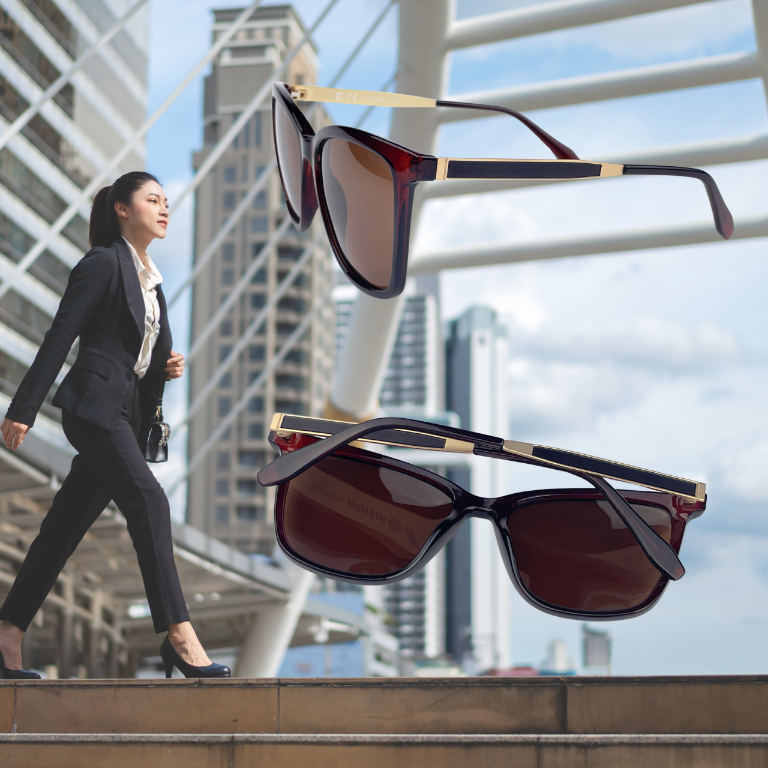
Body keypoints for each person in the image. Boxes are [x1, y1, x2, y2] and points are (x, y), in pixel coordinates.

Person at [0, 172, 230, 680]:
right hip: (95, 407)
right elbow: (62, 334)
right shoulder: (103, 262)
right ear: (122, 209)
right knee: (150, 502)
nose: (164, 208)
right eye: (153, 200)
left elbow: (135, 355)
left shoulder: (152, 282)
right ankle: (179, 635)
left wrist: (162, 366)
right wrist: (24, 407)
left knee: (62, 530)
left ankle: (7, 634)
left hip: (124, 410)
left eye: (166, 201)